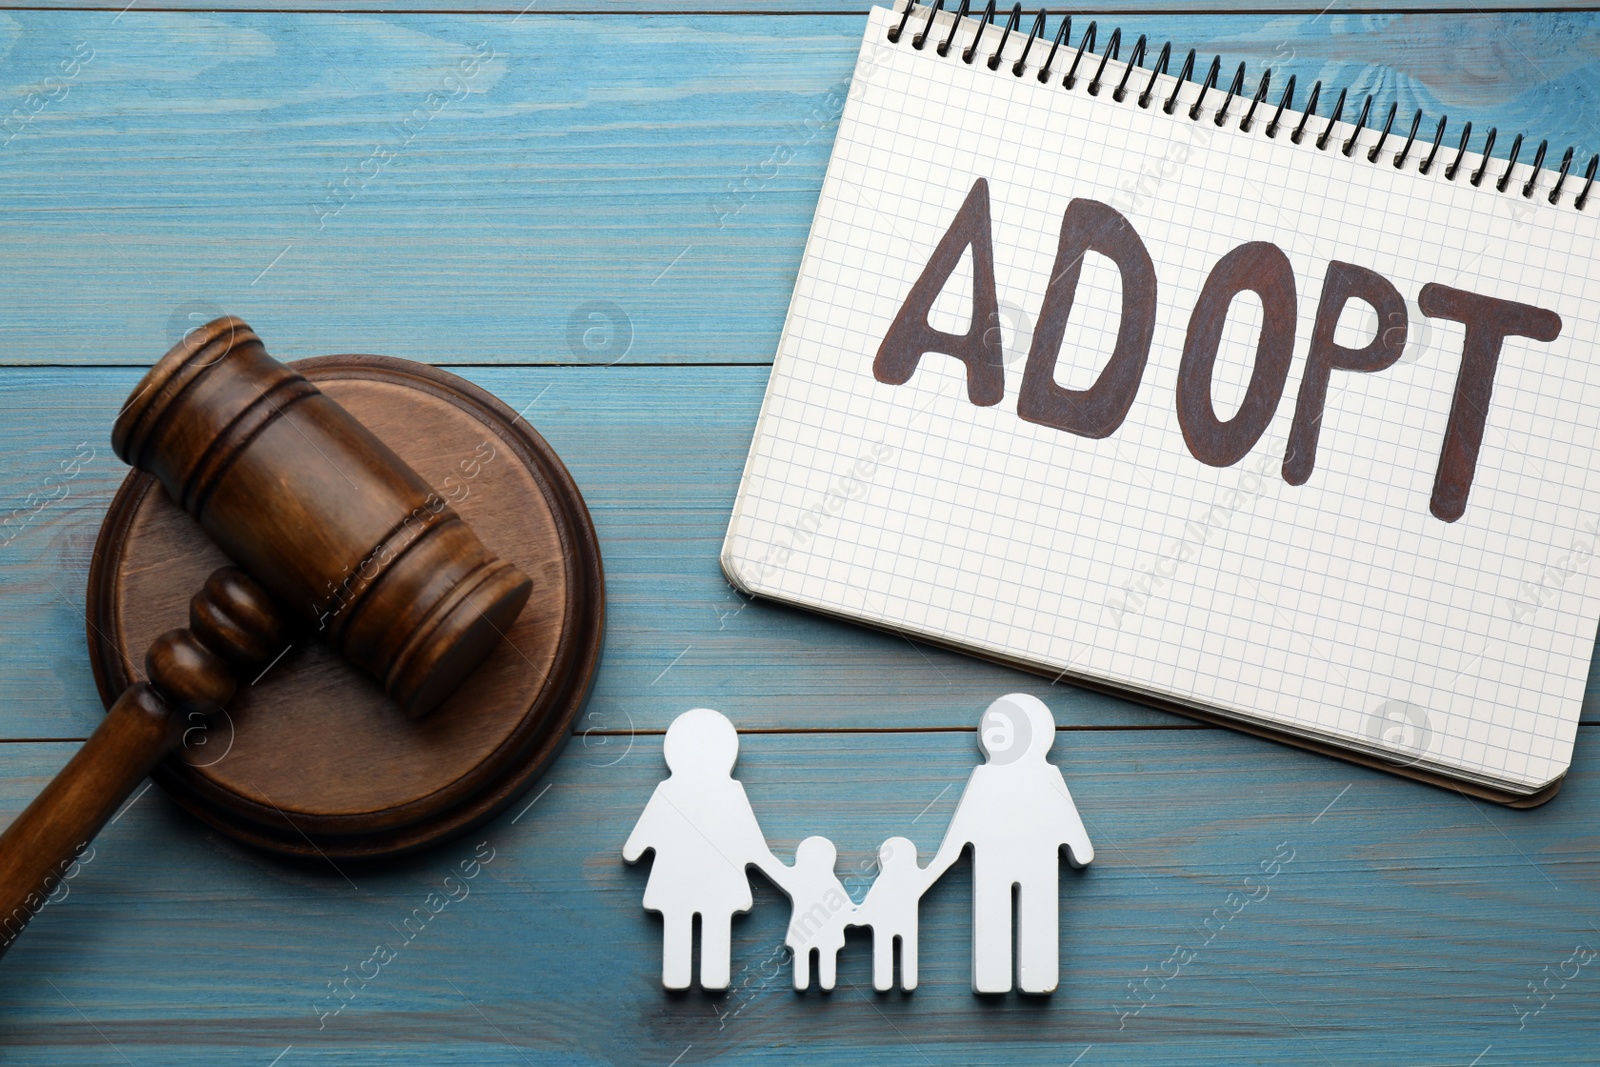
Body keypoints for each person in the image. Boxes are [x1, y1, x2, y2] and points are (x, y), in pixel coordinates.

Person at [927, 693, 1094, 993]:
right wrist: (1079, 849)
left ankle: (1012, 978)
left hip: (1011, 866)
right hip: (1022, 866)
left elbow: (960, 833)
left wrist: (942, 860)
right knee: (1015, 917)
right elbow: (1080, 849)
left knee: (1014, 917)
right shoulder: (1032, 776)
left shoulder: (998, 777)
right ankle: (1024, 978)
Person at [623, 708, 787, 990]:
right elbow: (752, 846)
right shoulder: (724, 792)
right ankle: (709, 977)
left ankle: (682, 977)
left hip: (677, 880)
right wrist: (776, 869)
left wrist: (638, 851)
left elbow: (634, 849)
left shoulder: (672, 791)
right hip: (716, 881)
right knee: (712, 922)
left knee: (684, 921)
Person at [851, 836, 944, 991]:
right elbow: (935, 871)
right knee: (903, 950)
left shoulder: (887, 880)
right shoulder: (913, 878)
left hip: (887, 926)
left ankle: (886, 981)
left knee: (886, 950)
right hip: (902, 925)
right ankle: (903, 981)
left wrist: (857, 916)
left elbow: (870, 904)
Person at [775, 836, 853, 991]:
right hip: (821, 933)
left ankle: (810, 983)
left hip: (806, 931)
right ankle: (820, 983)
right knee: (822, 958)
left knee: (808, 958)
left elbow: (775, 870)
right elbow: (846, 908)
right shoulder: (831, 882)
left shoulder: (798, 878)